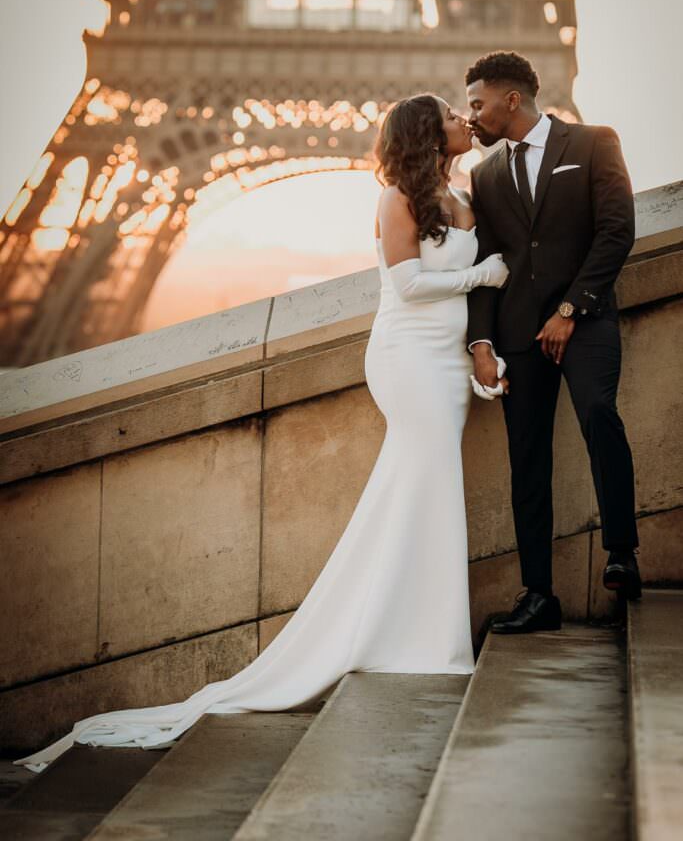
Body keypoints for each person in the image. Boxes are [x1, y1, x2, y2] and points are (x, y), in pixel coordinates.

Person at [16, 94, 508, 772]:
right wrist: (481, 271)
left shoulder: (462, 191)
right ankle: (421, 640)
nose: (463, 118)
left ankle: (417, 632)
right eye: (452, 114)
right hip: (406, 358)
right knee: (425, 487)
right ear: (428, 134)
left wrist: (483, 347)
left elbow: (468, 291)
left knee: (422, 493)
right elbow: (406, 285)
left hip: (445, 365)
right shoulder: (395, 198)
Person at [465, 50, 640, 635]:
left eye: (477, 103)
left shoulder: (592, 142)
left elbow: (617, 230)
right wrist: (481, 342)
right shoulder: (484, 174)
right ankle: (539, 593)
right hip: (516, 333)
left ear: (511, 99)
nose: (471, 116)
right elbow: (489, 263)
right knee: (527, 459)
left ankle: (621, 551)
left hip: (584, 320)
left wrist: (570, 309)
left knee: (598, 414)